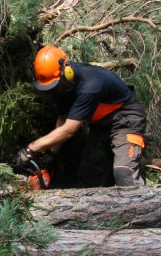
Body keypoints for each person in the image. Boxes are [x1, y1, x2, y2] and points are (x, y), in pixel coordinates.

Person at [16, 45, 146, 187]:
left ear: (68, 71)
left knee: (124, 173)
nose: (54, 90)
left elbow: (69, 130)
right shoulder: (63, 87)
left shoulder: (91, 83)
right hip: (99, 127)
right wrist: (50, 155)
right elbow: (62, 123)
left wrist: (31, 148)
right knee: (88, 177)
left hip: (126, 120)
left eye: (55, 85)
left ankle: (141, 206)